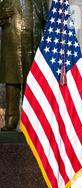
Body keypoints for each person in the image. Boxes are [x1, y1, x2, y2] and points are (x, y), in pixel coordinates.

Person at [0, 0, 49, 131]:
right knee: (12, 81)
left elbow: (47, 19)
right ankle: (11, 119)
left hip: (34, 40)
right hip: (12, 40)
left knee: (33, 82)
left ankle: (33, 120)